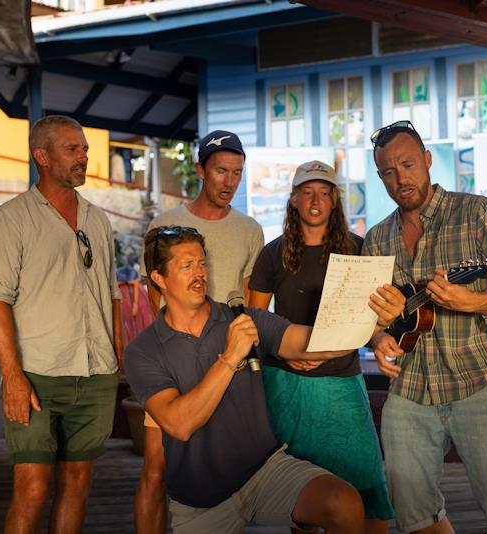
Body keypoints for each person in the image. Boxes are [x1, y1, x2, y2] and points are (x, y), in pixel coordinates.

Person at [124, 225, 405, 533]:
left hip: (265, 469)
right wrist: (230, 359)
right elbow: (180, 424)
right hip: (200, 498)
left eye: (202, 262)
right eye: (187, 265)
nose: (200, 273)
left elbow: (312, 344)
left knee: (344, 502)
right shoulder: (144, 350)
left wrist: (372, 322)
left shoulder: (242, 318)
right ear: (159, 278)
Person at [364, 120, 487, 534]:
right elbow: (375, 318)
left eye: (408, 164)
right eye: (388, 172)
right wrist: (379, 337)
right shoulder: (377, 239)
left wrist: (473, 300)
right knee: (411, 511)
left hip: (478, 382)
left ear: (427, 161)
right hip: (409, 389)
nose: (400, 178)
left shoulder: (475, 212)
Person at [0, 115, 122, 533]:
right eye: (72, 150)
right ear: (41, 156)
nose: (84, 158)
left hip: (96, 372)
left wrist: (117, 357)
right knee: (33, 488)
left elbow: (111, 293)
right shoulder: (11, 219)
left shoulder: (98, 220)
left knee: (77, 484)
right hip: (37, 373)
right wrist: (12, 376)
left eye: (85, 150)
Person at [248, 160, 394, 533]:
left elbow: (373, 317)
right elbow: (253, 321)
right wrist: (285, 354)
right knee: (302, 492)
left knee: (366, 483)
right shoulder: (272, 253)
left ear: (335, 201)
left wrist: (378, 337)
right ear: (294, 199)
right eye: (308, 192)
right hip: (287, 385)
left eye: (324, 193)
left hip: (341, 380)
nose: (316, 200)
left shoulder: (359, 250)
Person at [136, 130, 264, 533]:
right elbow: (152, 293)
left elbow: (253, 305)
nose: (229, 182)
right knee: (156, 470)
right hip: (175, 362)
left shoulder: (250, 230)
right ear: (200, 171)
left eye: (237, 174)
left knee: (234, 465)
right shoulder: (166, 223)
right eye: (221, 171)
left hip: (230, 367)